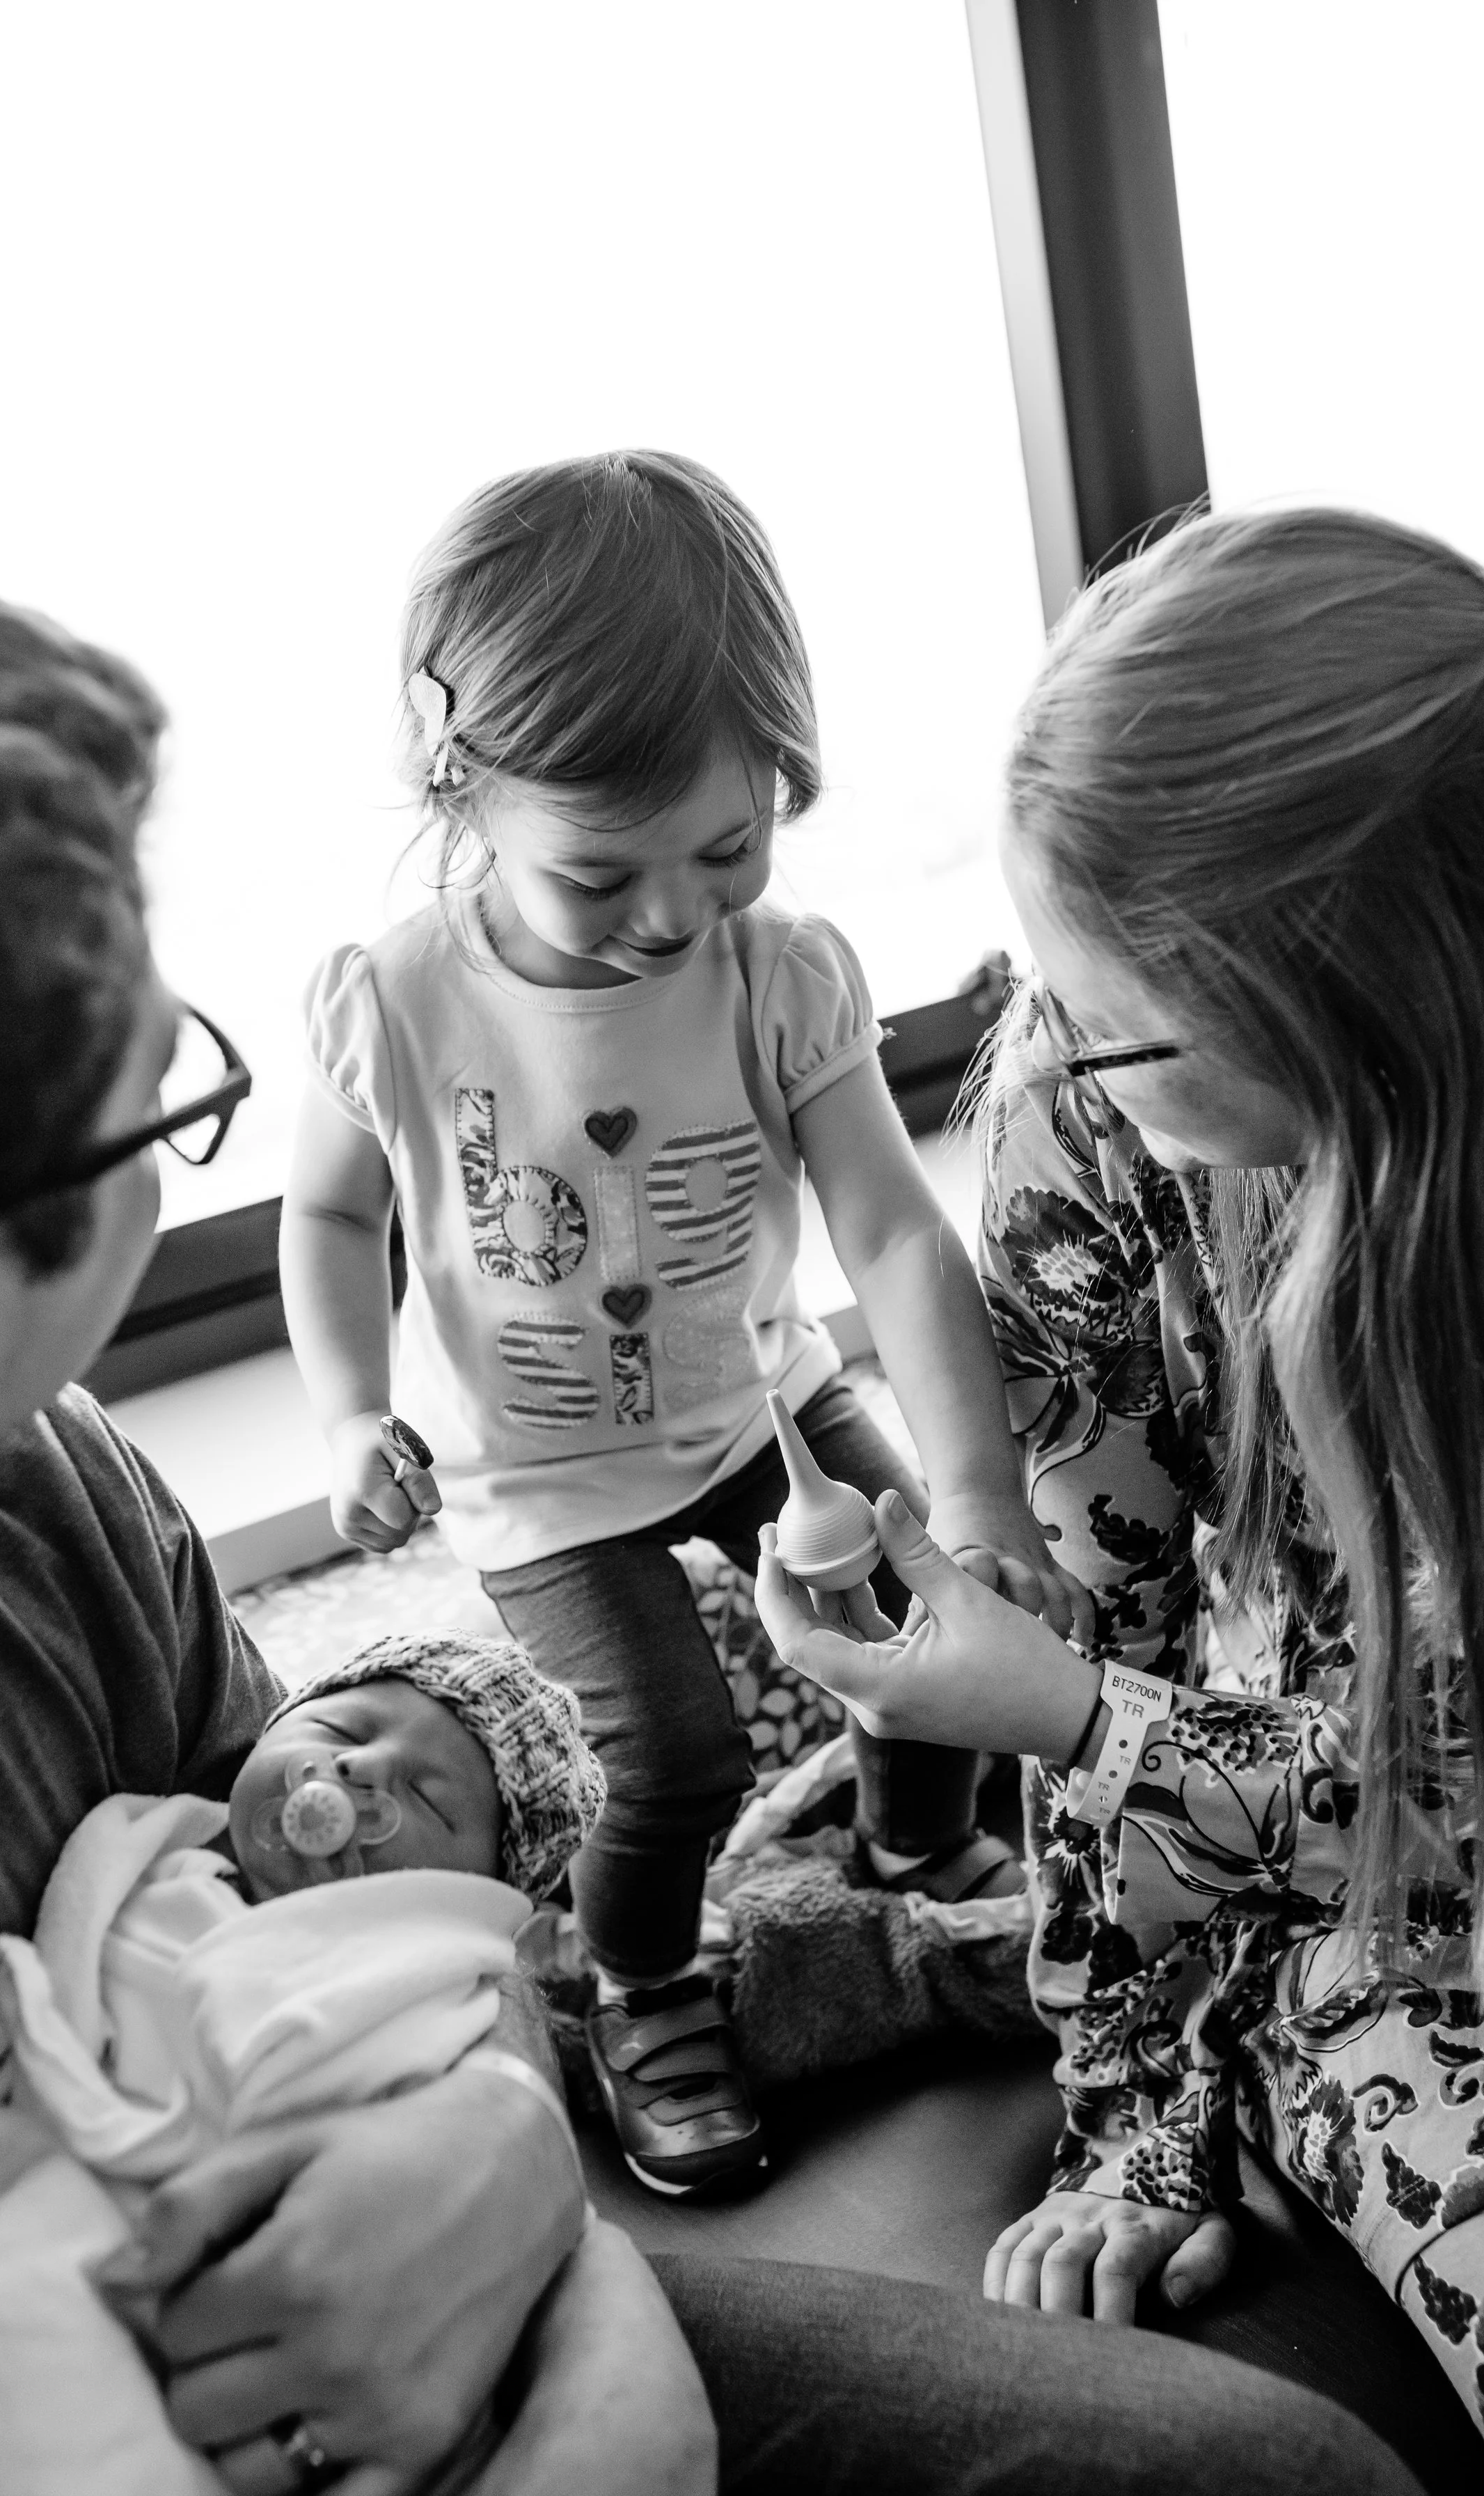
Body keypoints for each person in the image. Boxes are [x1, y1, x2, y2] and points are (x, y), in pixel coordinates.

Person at [0, 549, 1461, 2496]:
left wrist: (484, 2162)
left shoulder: (46, 1508)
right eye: (162, 1106)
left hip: (410, 2267)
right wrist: (579, 2470)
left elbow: (330, 1886)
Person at [751, 506, 1484, 2444]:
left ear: (1345, 1016)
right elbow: (1123, 1621)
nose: (1046, 1062)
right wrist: (1136, 2112)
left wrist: (1081, 1718)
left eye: (1111, 1022)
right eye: (1034, 987)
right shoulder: (1077, 1130)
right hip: (1334, 1894)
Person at [280, 449, 1084, 2200]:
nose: (671, 914)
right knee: (671, 1752)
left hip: (760, 1405)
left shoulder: (778, 972)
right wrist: (350, 1416)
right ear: (460, 791)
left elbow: (883, 1221)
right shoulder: (397, 1003)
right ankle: (641, 1986)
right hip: (536, 1479)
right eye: (600, 876)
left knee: (914, 1615)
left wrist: (977, 1490)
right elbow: (334, 1215)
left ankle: (913, 1847)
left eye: (727, 847)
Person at [0, 1635, 695, 2496]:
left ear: (471, 1890)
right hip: (47, 2215)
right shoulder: (155, 1858)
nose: (359, 1770)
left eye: (431, 1803)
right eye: (340, 1729)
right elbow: (69, 1997)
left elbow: (442, 2017)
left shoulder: (403, 1966)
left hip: (312, 2265)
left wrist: (512, 2110)